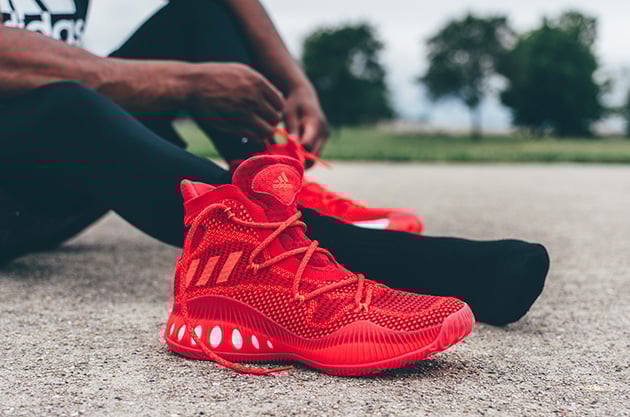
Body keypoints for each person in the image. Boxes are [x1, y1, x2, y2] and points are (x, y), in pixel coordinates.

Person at [0, 0, 549, 349]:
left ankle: (276, 196)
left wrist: (294, 84)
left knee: (200, 11)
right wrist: (180, 83)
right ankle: (316, 255)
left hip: (54, 172)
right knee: (66, 106)